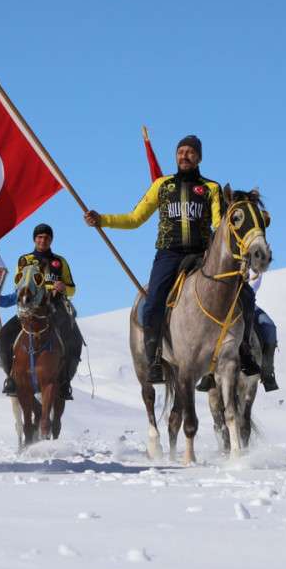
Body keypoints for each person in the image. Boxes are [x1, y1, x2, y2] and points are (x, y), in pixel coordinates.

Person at [84, 135, 222, 385]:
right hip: (169, 254)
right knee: (153, 302)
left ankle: (231, 356)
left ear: (199, 157)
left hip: (202, 255)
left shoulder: (211, 188)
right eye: (181, 151)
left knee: (228, 293)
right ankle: (154, 359)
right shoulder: (162, 185)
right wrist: (102, 219)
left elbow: (218, 224)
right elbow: (135, 218)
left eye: (190, 152)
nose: (184, 155)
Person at [0, 224, 83, 400]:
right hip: (29, 310)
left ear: (51, 240)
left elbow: (72, 289)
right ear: (34, 239)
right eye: (40, 237)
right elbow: (19, 288)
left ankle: (65, 381)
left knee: (75, 338)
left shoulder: (60, 262)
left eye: (46, 237)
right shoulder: (24, 260)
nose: (43, 240)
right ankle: (11, 378)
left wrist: (63, 287)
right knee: (4, 335)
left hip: (55, 309)